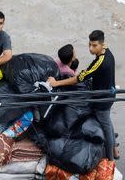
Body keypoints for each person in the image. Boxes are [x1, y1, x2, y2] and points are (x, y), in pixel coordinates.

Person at [47, 30, 118, 160]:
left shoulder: (100, 62)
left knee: (106, 126)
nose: (91, 48)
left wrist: (56, 83)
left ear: (102, 44)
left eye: (94, 45)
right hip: (109, 93)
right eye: (89, 44)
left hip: (102, 99)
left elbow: (79, 78)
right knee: (107, 122)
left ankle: (110, 159)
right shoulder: (107, 51)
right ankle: (114, 150)